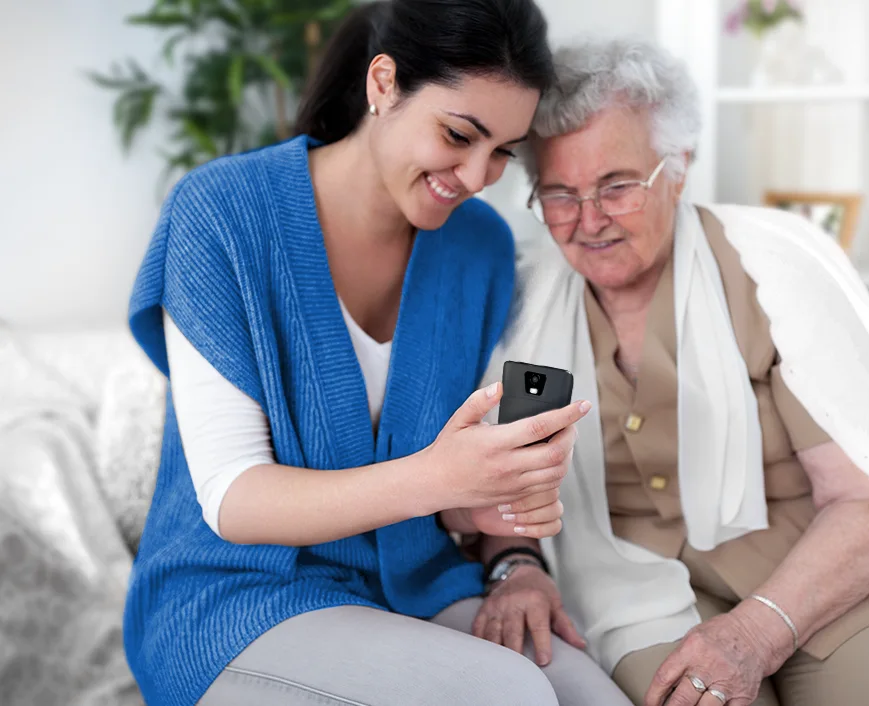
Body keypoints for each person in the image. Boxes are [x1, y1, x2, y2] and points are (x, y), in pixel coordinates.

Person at [123, 3, 631, 705]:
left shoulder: (479, 247)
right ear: (384, 83)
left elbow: (457, 489)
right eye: (459, 135)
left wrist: (513, 556)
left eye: (503, 154)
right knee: (508, 695)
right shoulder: (223, 214)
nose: (477, 175)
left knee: (594, 700)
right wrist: (439, 482)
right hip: (237, 599)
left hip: (415, 584)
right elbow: (234, 497)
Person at [477, 38, 869, 706]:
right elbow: (509, 488)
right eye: (559, 195)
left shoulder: (773, 273)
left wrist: (755, 634)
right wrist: (515, 567)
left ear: (680, 166)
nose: (588, 220)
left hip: (830, 578)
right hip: (638, 596)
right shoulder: (533, 309)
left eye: (616, 187)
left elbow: (866, 504)